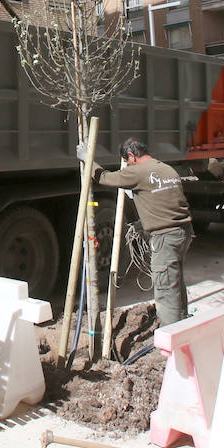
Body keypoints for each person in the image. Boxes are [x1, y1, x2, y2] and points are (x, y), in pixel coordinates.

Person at [93, 137, 194, 327]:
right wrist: (142, 223)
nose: (128, 166)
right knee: (176, 282)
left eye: (127, 161)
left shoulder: (138, 172)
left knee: (165, 287)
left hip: (165, 237)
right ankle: (182, 325)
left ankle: (170, 337)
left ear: (131, 155)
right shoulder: (166, 169)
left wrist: (88, 160)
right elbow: (165, 201)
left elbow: (105, 178)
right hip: (184, 232)